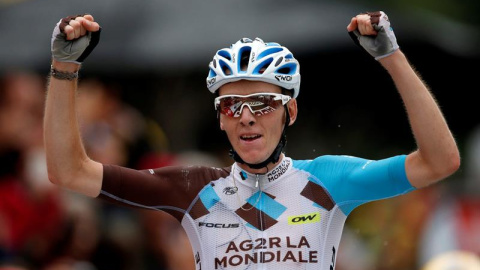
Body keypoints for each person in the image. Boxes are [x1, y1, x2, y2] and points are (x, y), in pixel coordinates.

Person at [44, 11, 460, 269]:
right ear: (220, 120)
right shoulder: (193, 190)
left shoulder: (329, 180)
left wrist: (392, 57)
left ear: (290, 112)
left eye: (261, 103)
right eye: (230, 106)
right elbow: (69, 172)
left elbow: (439, 162)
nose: (245, 116)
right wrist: (64, 69)